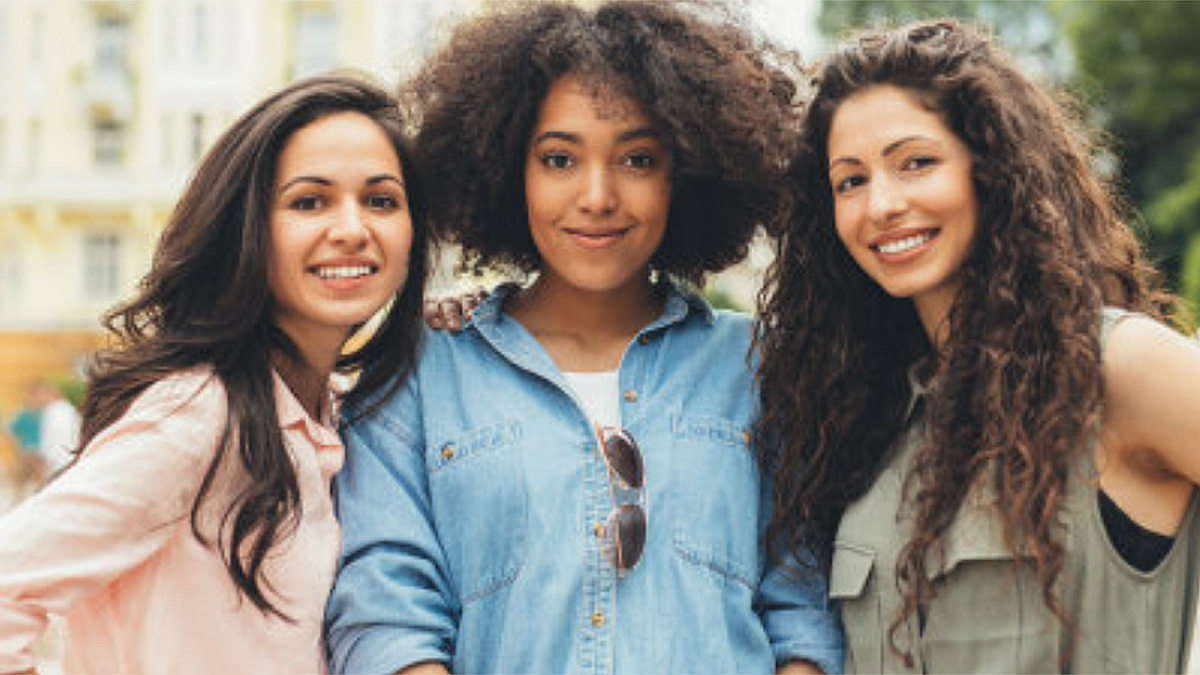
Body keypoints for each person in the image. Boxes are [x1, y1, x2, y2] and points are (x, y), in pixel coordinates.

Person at [324, 2, 843, 673]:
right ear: (511, 170)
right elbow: (387, 612)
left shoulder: (759, 366)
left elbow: (801, 605)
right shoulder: (419, 376)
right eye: (559, 158)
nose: (597, 195)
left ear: (684, 174)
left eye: (637, 158)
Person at [755, 18, 1200, 673]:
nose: (881, 203)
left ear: (990, 168)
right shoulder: (866, 428)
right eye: (850, 180)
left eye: (916, 162)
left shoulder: (1116, 368)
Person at [0, 73, 428, 674]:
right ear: (247, 229)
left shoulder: (330, 413)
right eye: (310, 201)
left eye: (381, 200)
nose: (353, 229)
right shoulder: (199, 412)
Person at [31, 380, 80, 477]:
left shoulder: (52, 411)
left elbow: (48, 442)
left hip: (58, 463)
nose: (34, 400)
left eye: (35, 396)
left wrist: (42, 466)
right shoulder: (68, 408)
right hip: (71, 461)